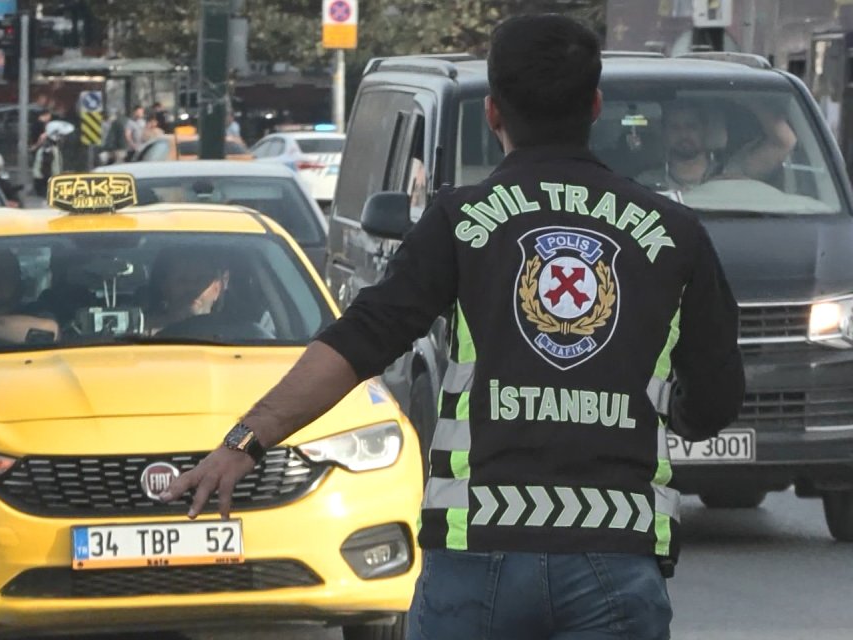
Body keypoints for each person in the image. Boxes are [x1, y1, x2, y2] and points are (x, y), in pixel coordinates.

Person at [160, 14, 744, 640]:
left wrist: (245, 441)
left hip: (478, 557)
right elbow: (715, 401)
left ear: (494, 113)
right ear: (595, 106)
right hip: (614, 556)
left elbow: (362, 339)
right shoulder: (674, 234)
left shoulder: (462, 222)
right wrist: (671, 414)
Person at [638, 100, 797, 191]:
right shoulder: (646, 183)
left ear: (705, 131)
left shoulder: (735, 172)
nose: (684, 134)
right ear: (664, 134)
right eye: (675, 127)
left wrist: (745, 96)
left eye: (691, 126)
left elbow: (784, 142)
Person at [145, 249, 229, 334]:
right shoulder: (142, 338)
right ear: (165, 287)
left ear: (217, 289)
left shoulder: (233, 336)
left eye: (201, 280)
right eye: (183, 280)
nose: (191, 288)